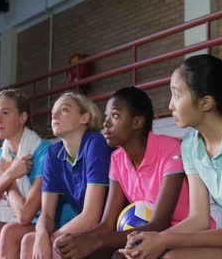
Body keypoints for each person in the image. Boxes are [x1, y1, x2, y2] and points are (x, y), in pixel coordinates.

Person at [120, 54, 222, 259]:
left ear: (205, 103)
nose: (170, 106)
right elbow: (199, 219)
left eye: (176, 95)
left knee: (172, 257)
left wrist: (164, 240)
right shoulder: (191, 144)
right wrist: (150, 240)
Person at [55, 86, 196, 259]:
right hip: (145, 238)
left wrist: (95, 241)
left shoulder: (170, 149)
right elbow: (108, 224)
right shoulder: (117, 159)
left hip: (182, 237)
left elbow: (159, 224)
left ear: (137, 122)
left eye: (115, 116)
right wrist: (78, 239)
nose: (105, 123)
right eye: (106, 116)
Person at [20, 92, 111, 259]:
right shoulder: (54, 153)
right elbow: (47, 215)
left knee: (57, 248)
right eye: (53, 112)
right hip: (83, 227)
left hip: (107, 230)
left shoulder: (95, 143)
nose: (54, 114)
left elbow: (91, 217)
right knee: (29, 241)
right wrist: (41, 235)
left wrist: (53, 239)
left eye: (64, 110)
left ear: (84, 118)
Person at [0, 89, 52, 258]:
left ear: (22, 117)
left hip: (49, 225)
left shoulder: (44, 151)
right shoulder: (1, 156)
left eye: (5, 113)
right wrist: (8, 175)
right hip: (24, 227)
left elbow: (25, 216)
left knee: (10, 231)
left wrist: (9, 179)